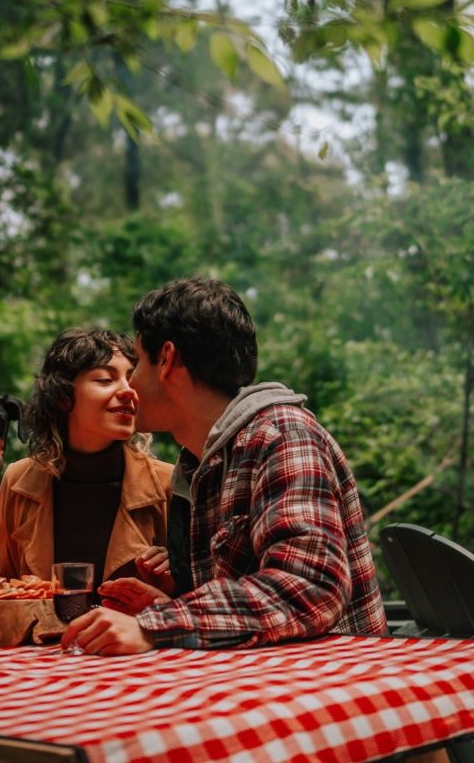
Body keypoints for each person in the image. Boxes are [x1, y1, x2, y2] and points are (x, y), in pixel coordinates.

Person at [62, 277, 388, 654]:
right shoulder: (196, 464)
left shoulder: (281, 433)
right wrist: (170, 607)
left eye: (135, 364)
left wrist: (157, 625)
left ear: (167, 359)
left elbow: (310, 587)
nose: (130, 384)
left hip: (330, 690)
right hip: (256, 689)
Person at [0, 327, 174, 587]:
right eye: (105, 380)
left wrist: (173, 579)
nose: (128, 391)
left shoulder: (168, 483)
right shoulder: (17, 480)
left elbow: (194, 603)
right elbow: (12, 594)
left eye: (131, 379)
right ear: (62, 397)